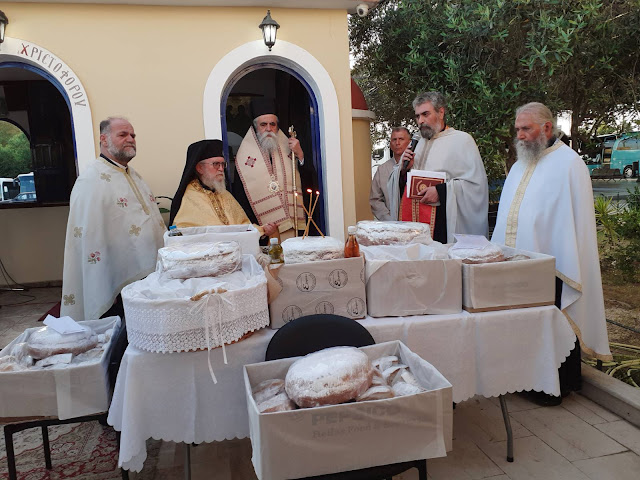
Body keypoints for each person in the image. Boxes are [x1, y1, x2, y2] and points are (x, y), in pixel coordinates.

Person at [492, 102, 612, 405]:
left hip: (553, 266)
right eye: (517, 129)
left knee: (550, 325)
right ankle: (524, 379)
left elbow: (571, 224)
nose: (519, 135)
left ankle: (555, 387)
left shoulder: (569, 164)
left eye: (526, 129)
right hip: (518, 266)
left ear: (546, 128)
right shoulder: (519, 165)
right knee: (521, 324)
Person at [61, 117, 166, 321]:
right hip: (115, 278)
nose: (131, 139)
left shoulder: (133, 175)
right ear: (104, 139)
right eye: (123, 134)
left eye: (133, 135)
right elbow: (91, 235)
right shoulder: (91, 180)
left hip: (146, 274)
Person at [399, 92, 488, 243]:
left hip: (443, 221)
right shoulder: (418, 143)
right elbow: (401, 184)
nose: (420, 121)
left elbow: (476, 186)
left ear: (441, 112)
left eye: (425, 114)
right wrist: (404, 170)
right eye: (417, 116)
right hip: (416, 222)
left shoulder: (462, 140)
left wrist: (441, 191)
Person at [232, 98, 315, 240]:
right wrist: (258, 227)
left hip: (294, 223)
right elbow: (241, 197)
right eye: (263, 124)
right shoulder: (243, 158)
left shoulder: (290, 148)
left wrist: (300, 154)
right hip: (264, 228)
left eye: (272, 124)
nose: (268, 129)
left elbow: (309, 180)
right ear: (255, 127)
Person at [169, 139, 277, 239]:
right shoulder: (190, 196)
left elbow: (243, 226)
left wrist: (262, 230)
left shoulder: (224, 194)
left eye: (223, 164)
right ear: (199, 168)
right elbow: (183, 233)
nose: (221, 169)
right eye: (216, 164)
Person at [369, 127, 411, 220]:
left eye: (401, 139)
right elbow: (375, 199)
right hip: (390, 222)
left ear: (409, 143)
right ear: (390, 144)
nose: (397, 143)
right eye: (394, 140)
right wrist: (388, 219)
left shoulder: (417, 166)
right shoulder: (382, 170)